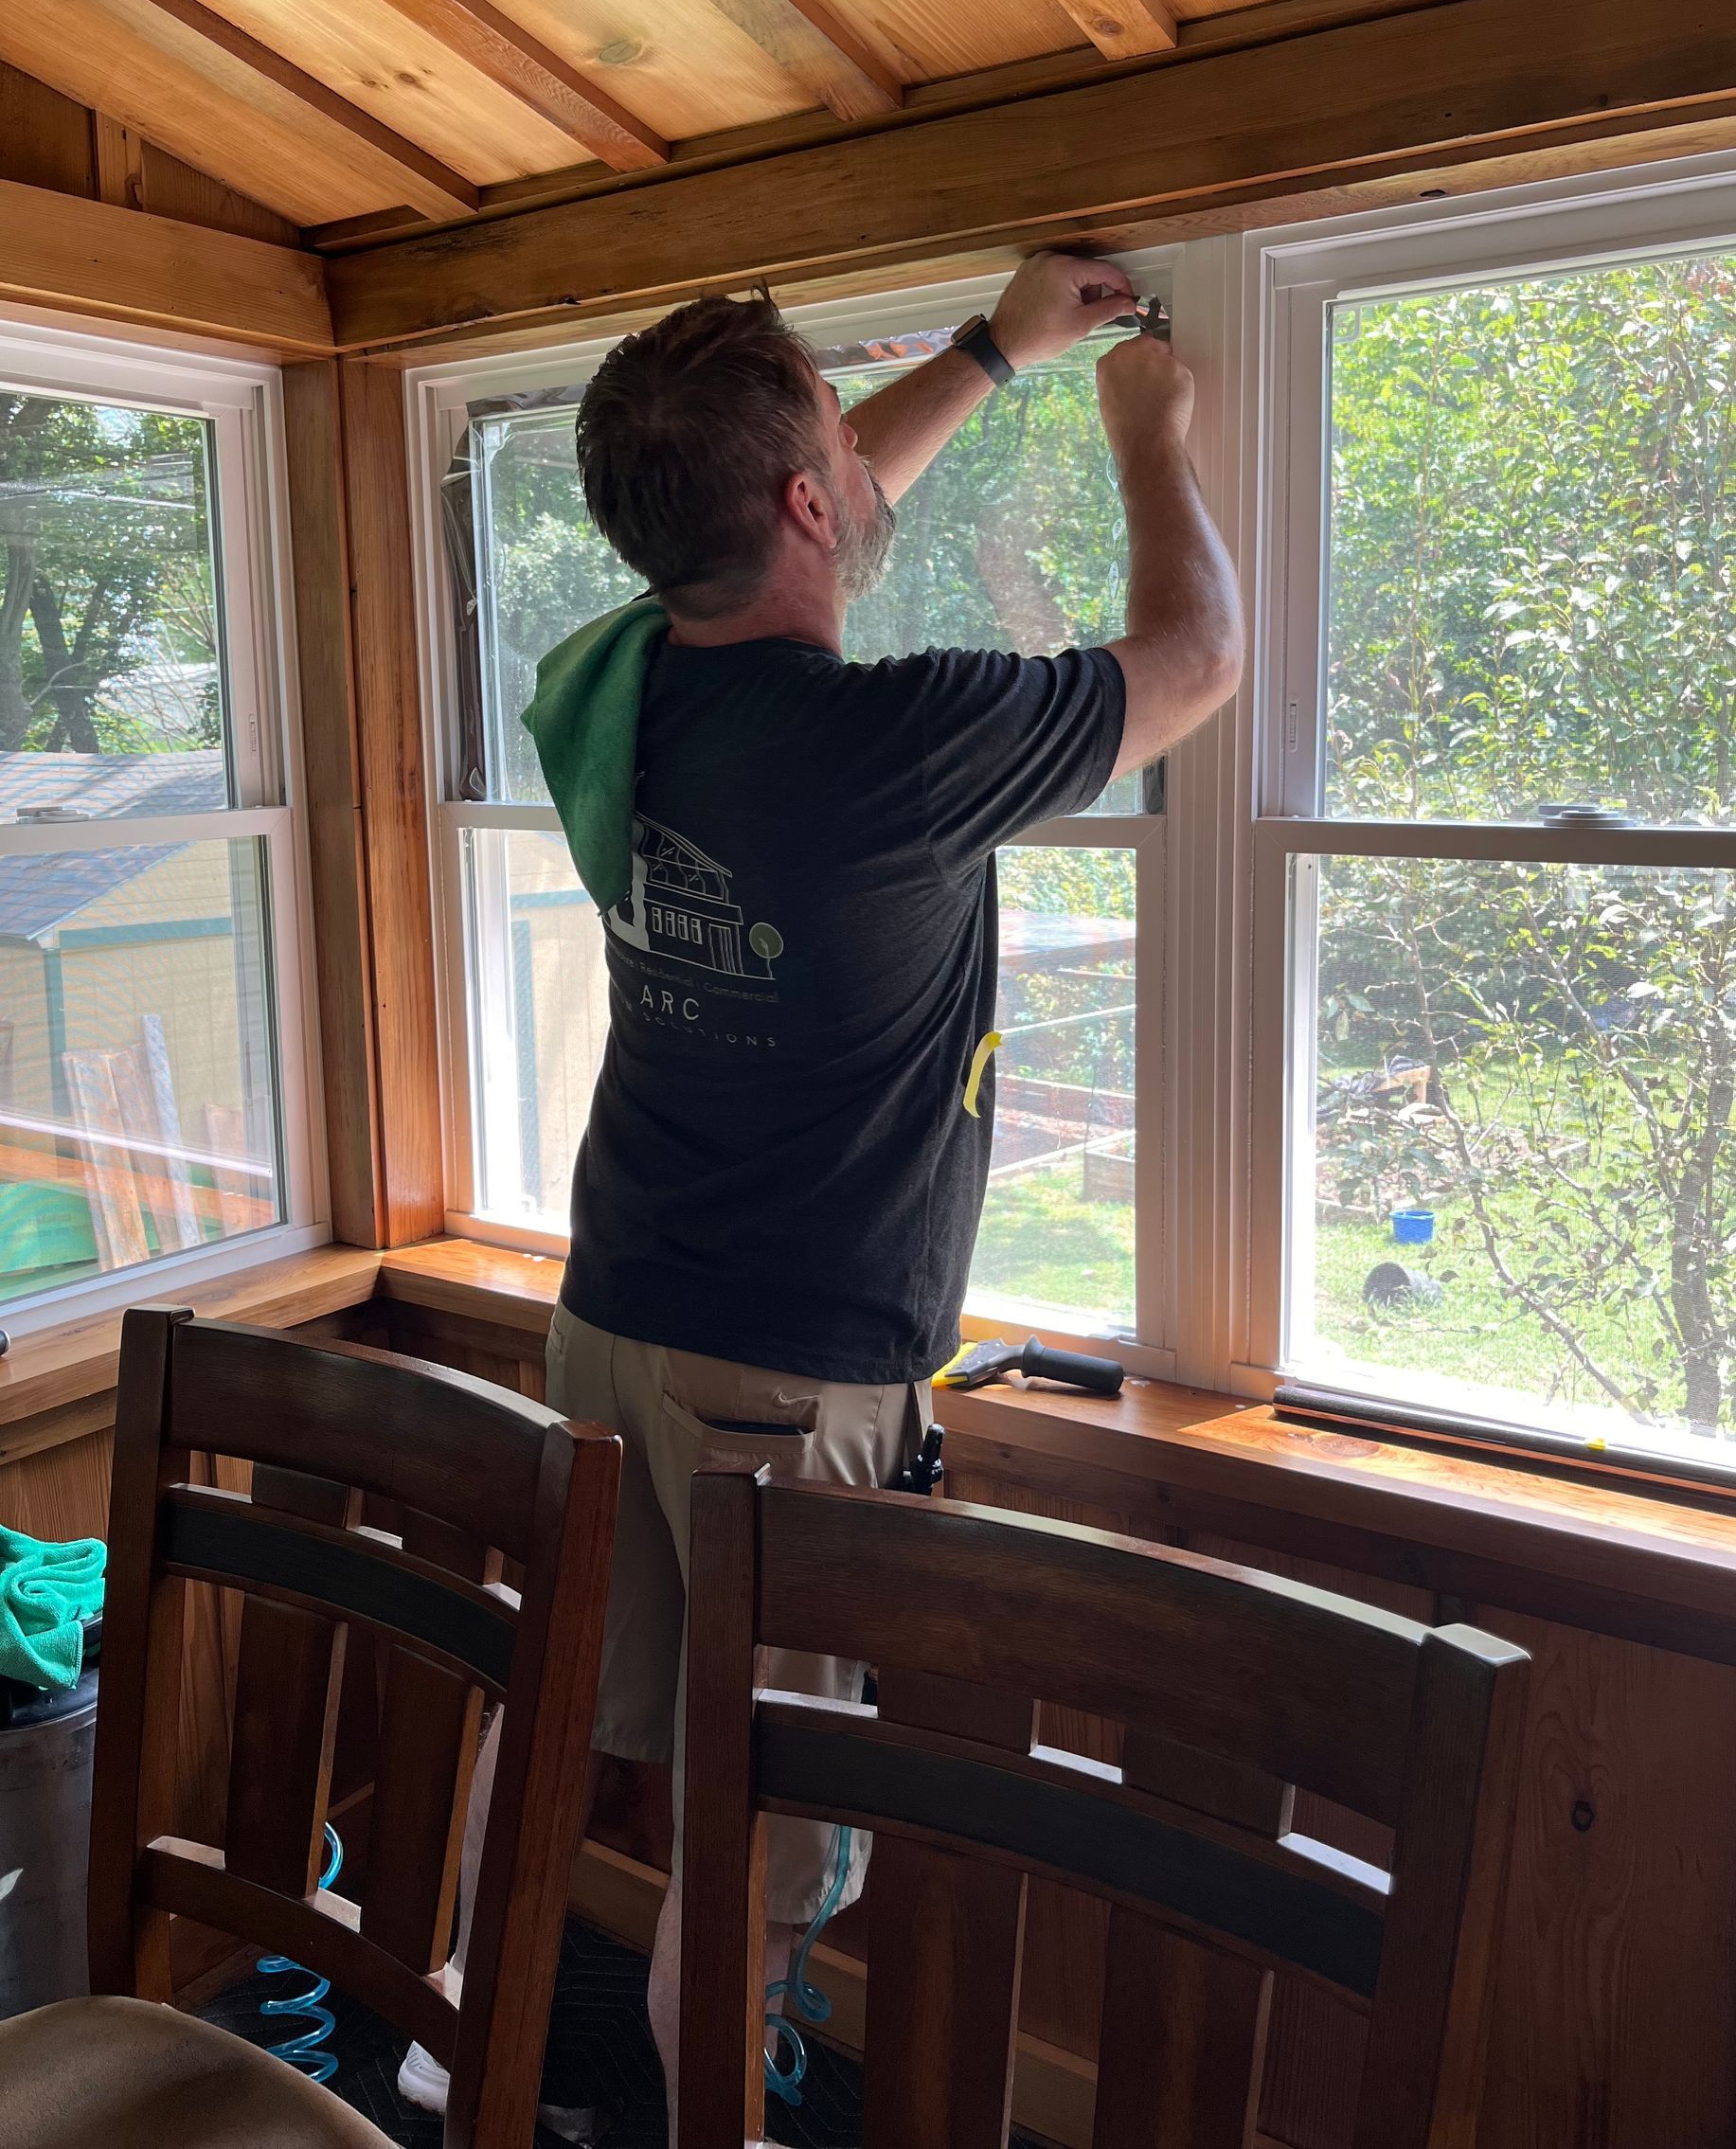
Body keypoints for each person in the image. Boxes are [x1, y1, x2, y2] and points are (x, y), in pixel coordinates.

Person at [400, 252, 1244, 2140]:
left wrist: (984, 355)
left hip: (607, 1319)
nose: (863, 476)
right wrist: (1144, 424)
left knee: (555, 1727)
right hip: (783, 1387)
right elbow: (1198, 658)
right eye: (832, 453)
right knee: (754, 1826)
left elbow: (787, 497)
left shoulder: (606, 683)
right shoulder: (898, 742)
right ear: (802, 500)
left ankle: (445, 2054)